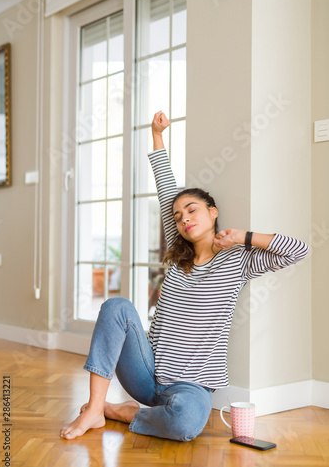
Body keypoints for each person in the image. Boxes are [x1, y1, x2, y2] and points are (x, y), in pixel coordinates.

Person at [60, 111, 309, 442]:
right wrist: (157, 135)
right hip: (146, 374)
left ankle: (120, 411)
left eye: (192, 210)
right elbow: (166, 187)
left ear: (212, 212)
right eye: (178, 217)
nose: (184, 219)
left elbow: (298, 250)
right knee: (116, 306)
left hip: (192, 387)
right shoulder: (178, 256)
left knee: (186, 424)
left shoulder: (238, 261)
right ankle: (94, 409)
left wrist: (243, 237)